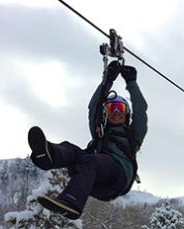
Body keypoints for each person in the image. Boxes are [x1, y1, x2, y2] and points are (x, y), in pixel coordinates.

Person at [28, 61, 148, 219]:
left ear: (127, 114)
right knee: (71, 149)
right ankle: (48, 156)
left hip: (118, 176)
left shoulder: (133, 135)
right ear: (106, 113)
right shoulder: (101, 132)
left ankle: (72, 202)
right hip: (94, 179)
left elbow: (141, 110)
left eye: (121, 109)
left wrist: (131, 82)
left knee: (92, 161)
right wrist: (108, 80)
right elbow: (93, 108)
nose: (117, 112)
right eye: (112, 109)